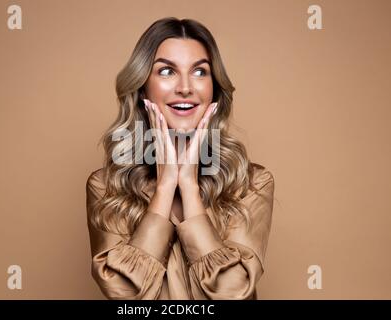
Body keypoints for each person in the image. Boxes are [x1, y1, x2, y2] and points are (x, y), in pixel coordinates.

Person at [86, 17, 275, 300]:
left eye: (200, 72)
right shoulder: (106, 187)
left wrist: (188, 186)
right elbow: (125, 295)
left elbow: (232, 292)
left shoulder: (251, 184)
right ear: (142, 88)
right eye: (166, 71)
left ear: (214, 89)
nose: (185, 87)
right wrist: (165, 187)